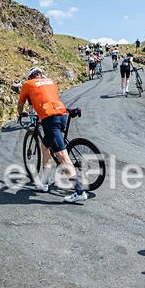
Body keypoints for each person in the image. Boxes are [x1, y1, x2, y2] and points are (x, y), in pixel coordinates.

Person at [17, 67, 88, 203]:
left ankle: (79, 192)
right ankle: (44, 183)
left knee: (62, 155)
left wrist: (21, 113)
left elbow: (21, 105)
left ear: (30, 77)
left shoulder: (28, 84)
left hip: (50, 119)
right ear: (41, 74)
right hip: (62, 115)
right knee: (45, 146)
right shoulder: (51, 81)